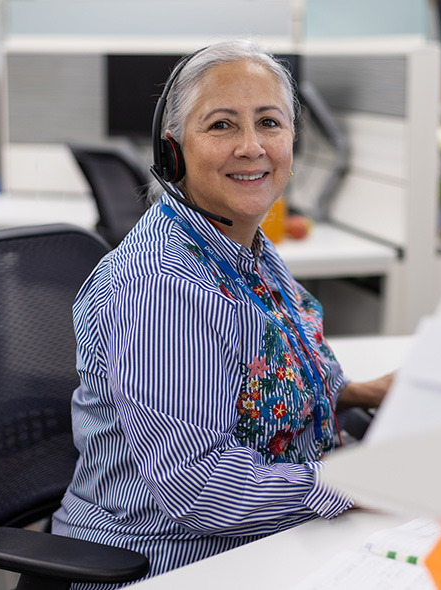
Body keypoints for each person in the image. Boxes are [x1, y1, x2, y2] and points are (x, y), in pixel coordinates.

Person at [52, 39, 393, 586]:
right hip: (169, 558)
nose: (252, 146)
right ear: (173, 152)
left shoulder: (242, 246)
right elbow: (191, 487)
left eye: (269, 122)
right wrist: (348, 483)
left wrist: (360, 391)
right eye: (222, 126)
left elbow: (273, 372)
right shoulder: (163, 288)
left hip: (265, 534)